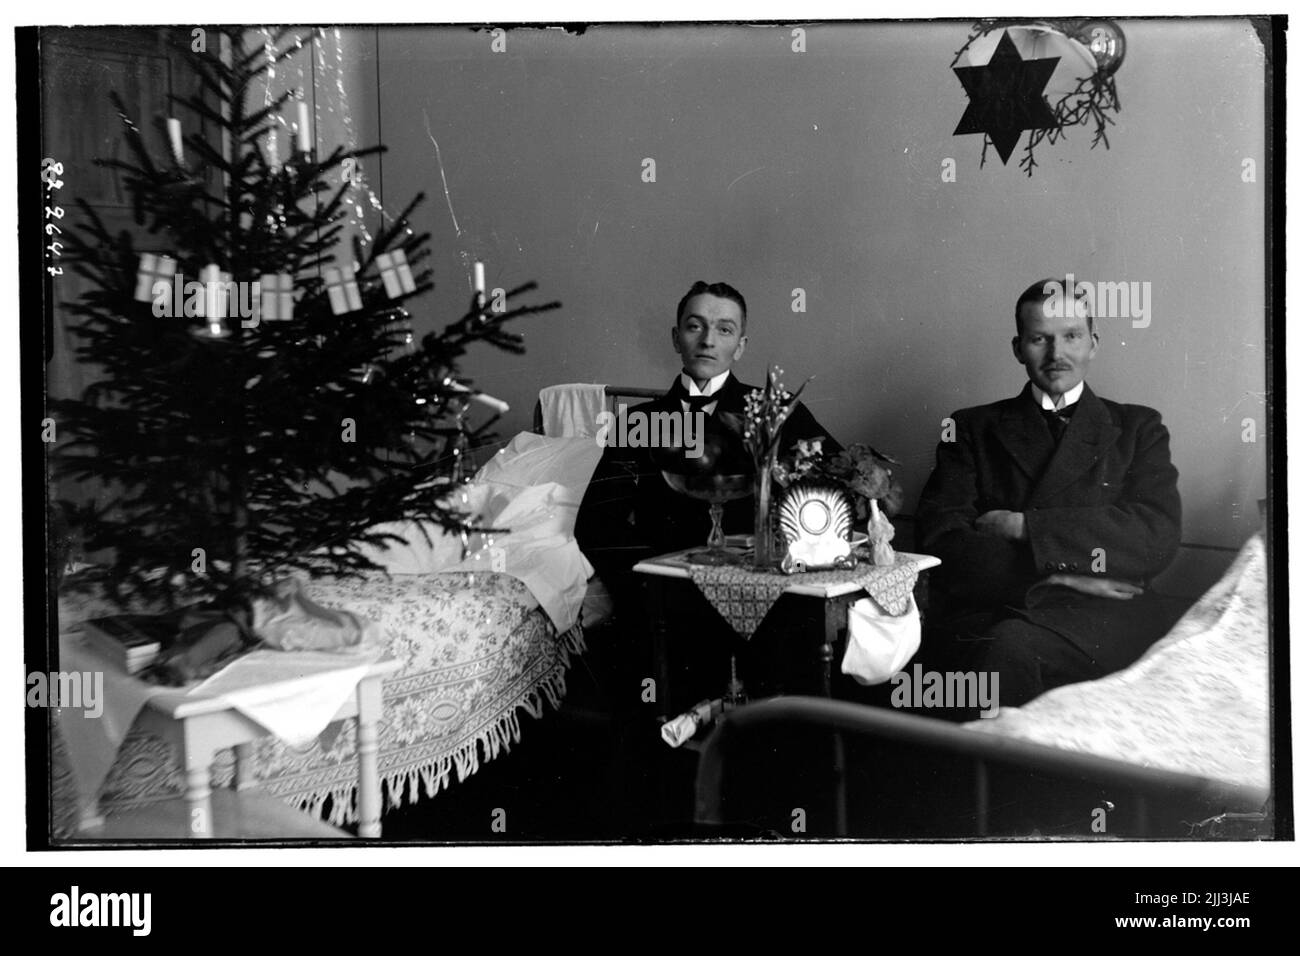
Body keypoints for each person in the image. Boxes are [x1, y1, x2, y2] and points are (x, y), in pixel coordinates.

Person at [915, 278, 1183, 708]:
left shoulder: (1139, 428)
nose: (1057, 355)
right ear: (1018, 348)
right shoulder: (969, 429)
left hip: (1107, 619)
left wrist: (1025, 526)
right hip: (1001, 608)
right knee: (996, 652)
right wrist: (1059, 576)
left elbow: (1155, 538)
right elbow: (943, 543)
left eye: (1071, 336)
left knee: (1009, 654)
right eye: (1040, 339)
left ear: (1093, 343)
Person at [574, 280, 840, 713]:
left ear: (741, 344)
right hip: (665, 602)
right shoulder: (641, 422)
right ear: (676, 337)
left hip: (767, 598)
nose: (708, 340)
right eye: (695, 327)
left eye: (724, 329)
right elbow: (596, 522)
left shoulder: (774, 410)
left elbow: (837, 484)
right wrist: (652, 581)